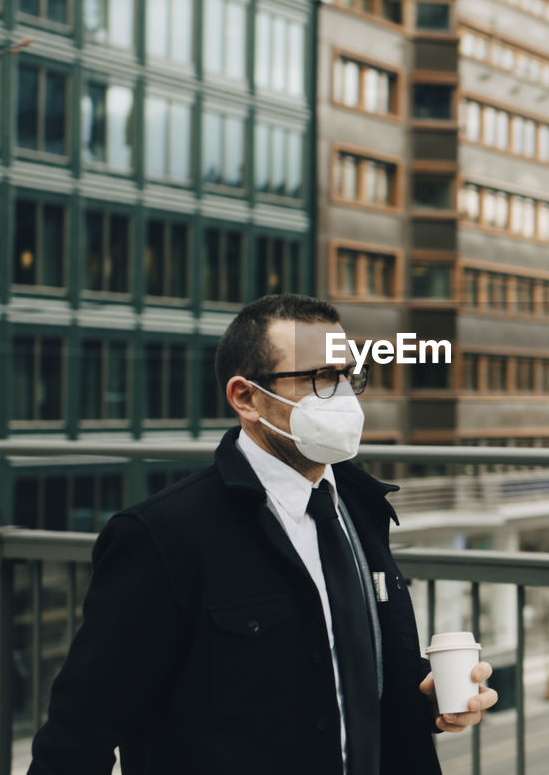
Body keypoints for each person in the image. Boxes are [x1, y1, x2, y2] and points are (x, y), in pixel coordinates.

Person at [29, 294, 496, 774]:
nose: (343, 396)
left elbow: (346, 677)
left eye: (347, 375)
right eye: (320, 378)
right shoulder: (163, 537)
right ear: (246, 397)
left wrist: (427, 700)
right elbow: (79, 732)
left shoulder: (360, 505)